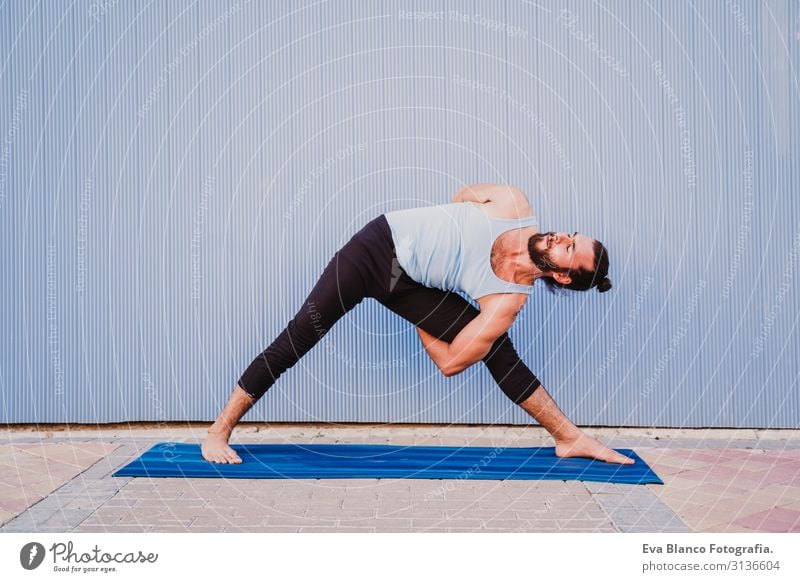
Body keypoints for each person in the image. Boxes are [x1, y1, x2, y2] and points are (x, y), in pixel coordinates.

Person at [202, 183, 633, 465]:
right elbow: (465, 195)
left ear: (561, 275)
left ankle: (568, 437)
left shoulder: (505, 302)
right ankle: (218, 433)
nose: (562, 238)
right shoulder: (512, 205)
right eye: (570, 235)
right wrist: (441, 243)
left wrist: (419, 309)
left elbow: (449, 363)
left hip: (410, 286)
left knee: (498, 349)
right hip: (374, 249)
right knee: (300, 335)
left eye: (569, 249)